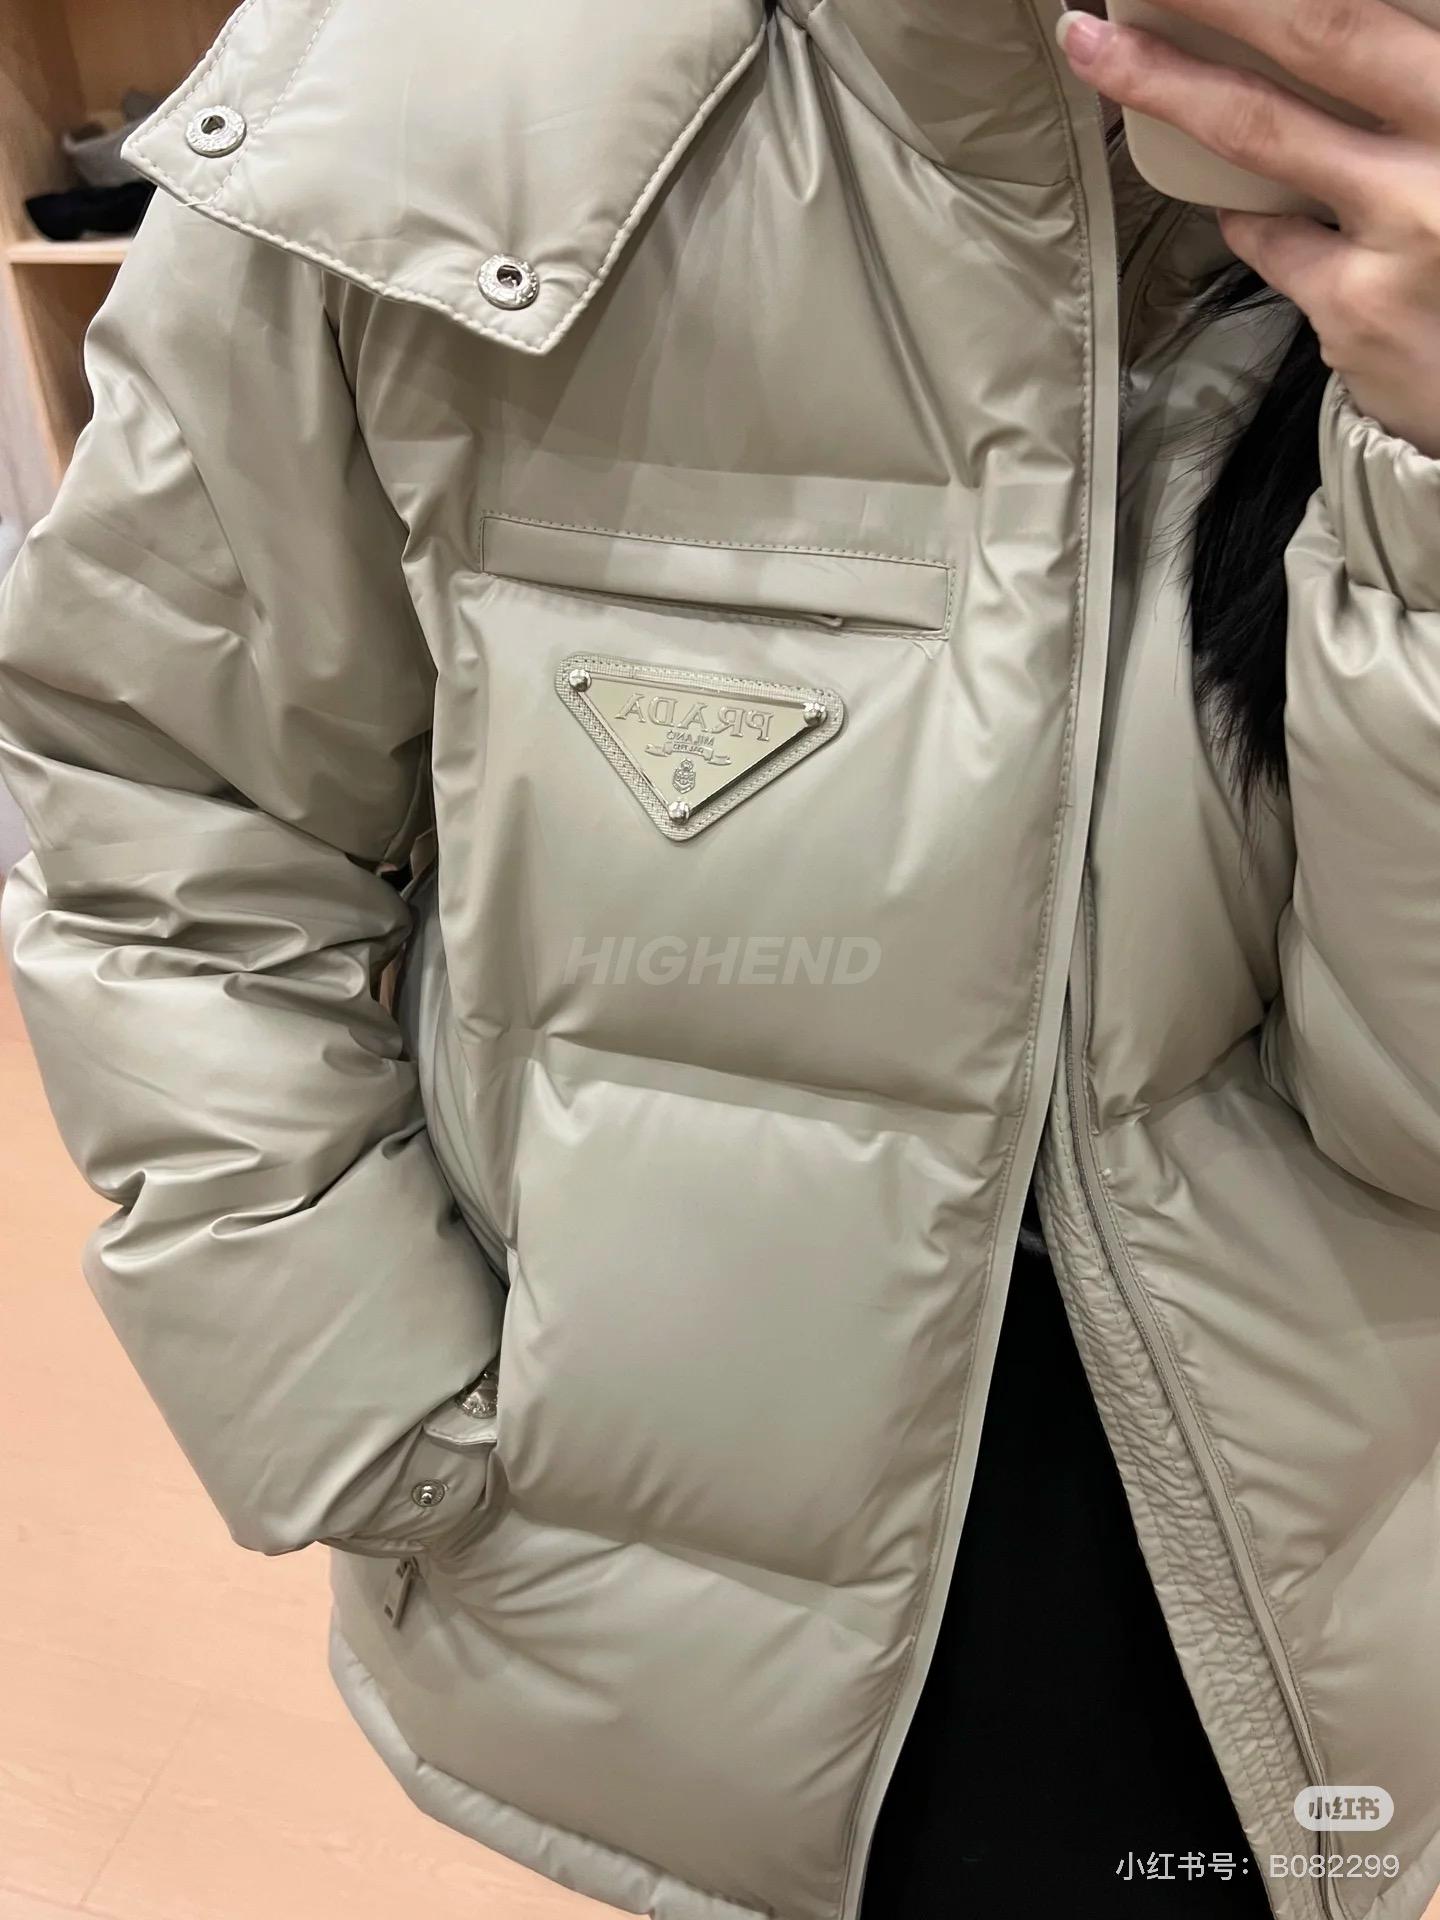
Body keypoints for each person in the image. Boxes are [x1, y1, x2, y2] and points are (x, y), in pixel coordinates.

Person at [1, 3, 1437, 1917]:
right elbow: (167, 805)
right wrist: (364, 1403)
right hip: (637, 1551)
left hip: (1330, 1570)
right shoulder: (419, 91)